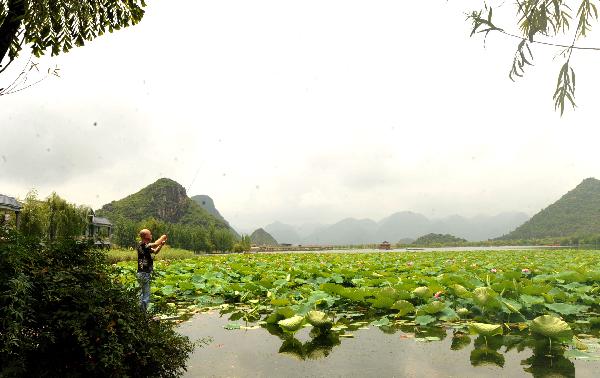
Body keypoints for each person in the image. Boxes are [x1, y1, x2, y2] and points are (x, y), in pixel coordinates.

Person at [137, 229, 167, 311]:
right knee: (145, 295)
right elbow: (155, 244)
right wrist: (162, 237)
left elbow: (155, 251)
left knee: (140, 294)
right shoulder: (143, 245)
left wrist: (161, 245)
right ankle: (143, 314)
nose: (151, 235)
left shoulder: (143, 246)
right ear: (146, 236)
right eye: (150, 234)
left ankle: (139, 312)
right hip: (144, 273)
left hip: (141, 273)